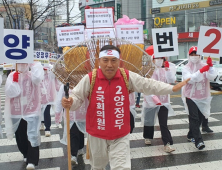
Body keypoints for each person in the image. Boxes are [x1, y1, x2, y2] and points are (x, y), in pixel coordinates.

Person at [61, 45, 190, 170]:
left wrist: (171, 88)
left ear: (119, 61)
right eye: (105, 60)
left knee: (122, 167)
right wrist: (70, 102)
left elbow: (147, 85)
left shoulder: (126, 76)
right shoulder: (90, 78)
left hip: (120, 133)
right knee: (97, 166)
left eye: (113, 60)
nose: (109, 65)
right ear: (99, 61)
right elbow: (77, 97)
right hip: (97, 133)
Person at [4, 62, 44, 170]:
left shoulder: (32, 75)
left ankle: (32, 161)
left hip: (32, 110)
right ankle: (25, 154)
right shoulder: (12, 75)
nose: (22, 64)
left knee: (32, 135)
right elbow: (10, 92)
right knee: (20, 136)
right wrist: (14, 82)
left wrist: (34, 64)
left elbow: (38, 78)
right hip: (16, 111)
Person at [182, 46, 217, 150]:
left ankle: (190, 135)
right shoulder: (186, 67)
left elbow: (212, 76)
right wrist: (201, 71)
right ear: (189, 56)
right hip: (190, 96)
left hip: (203, 96)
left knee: (201, 118)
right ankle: (199, 141)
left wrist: (210, 67)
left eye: (196, 54)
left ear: (200, 55)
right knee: (194, 118)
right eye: (192, 54)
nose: (194, 56)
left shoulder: (204, 65)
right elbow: (190, 79)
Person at [142, 55, 176, 153]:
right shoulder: (148, 71)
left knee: (163, 123)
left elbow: (170, 80)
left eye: (161, 58)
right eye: (157, 58)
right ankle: (148, 136)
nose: (159, 60)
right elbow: (146, 86)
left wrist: (168, 69)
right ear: (152, 60)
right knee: (149, 120)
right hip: (150, 100)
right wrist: (153, 98)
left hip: (164, 101)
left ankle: (166, 144)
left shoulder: (166, 70)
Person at [55, 84, 88, 165]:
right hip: (71, 115)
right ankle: (73, 155)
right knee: (73, 134)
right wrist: (57, 113)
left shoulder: (85, 83)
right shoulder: (65, 85)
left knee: (80, 134)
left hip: (83, 114)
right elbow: (60, 99)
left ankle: (79, 147)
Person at [40, 64, 59, 137]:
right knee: (41, 111)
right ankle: (42, 123)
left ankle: (47, 128)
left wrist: (51, 68)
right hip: (40, 97)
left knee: (46, 111)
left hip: (49, 97)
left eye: (45, 69)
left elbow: (54, 76)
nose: (44, 70)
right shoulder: (39, 75)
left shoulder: (50, 75)